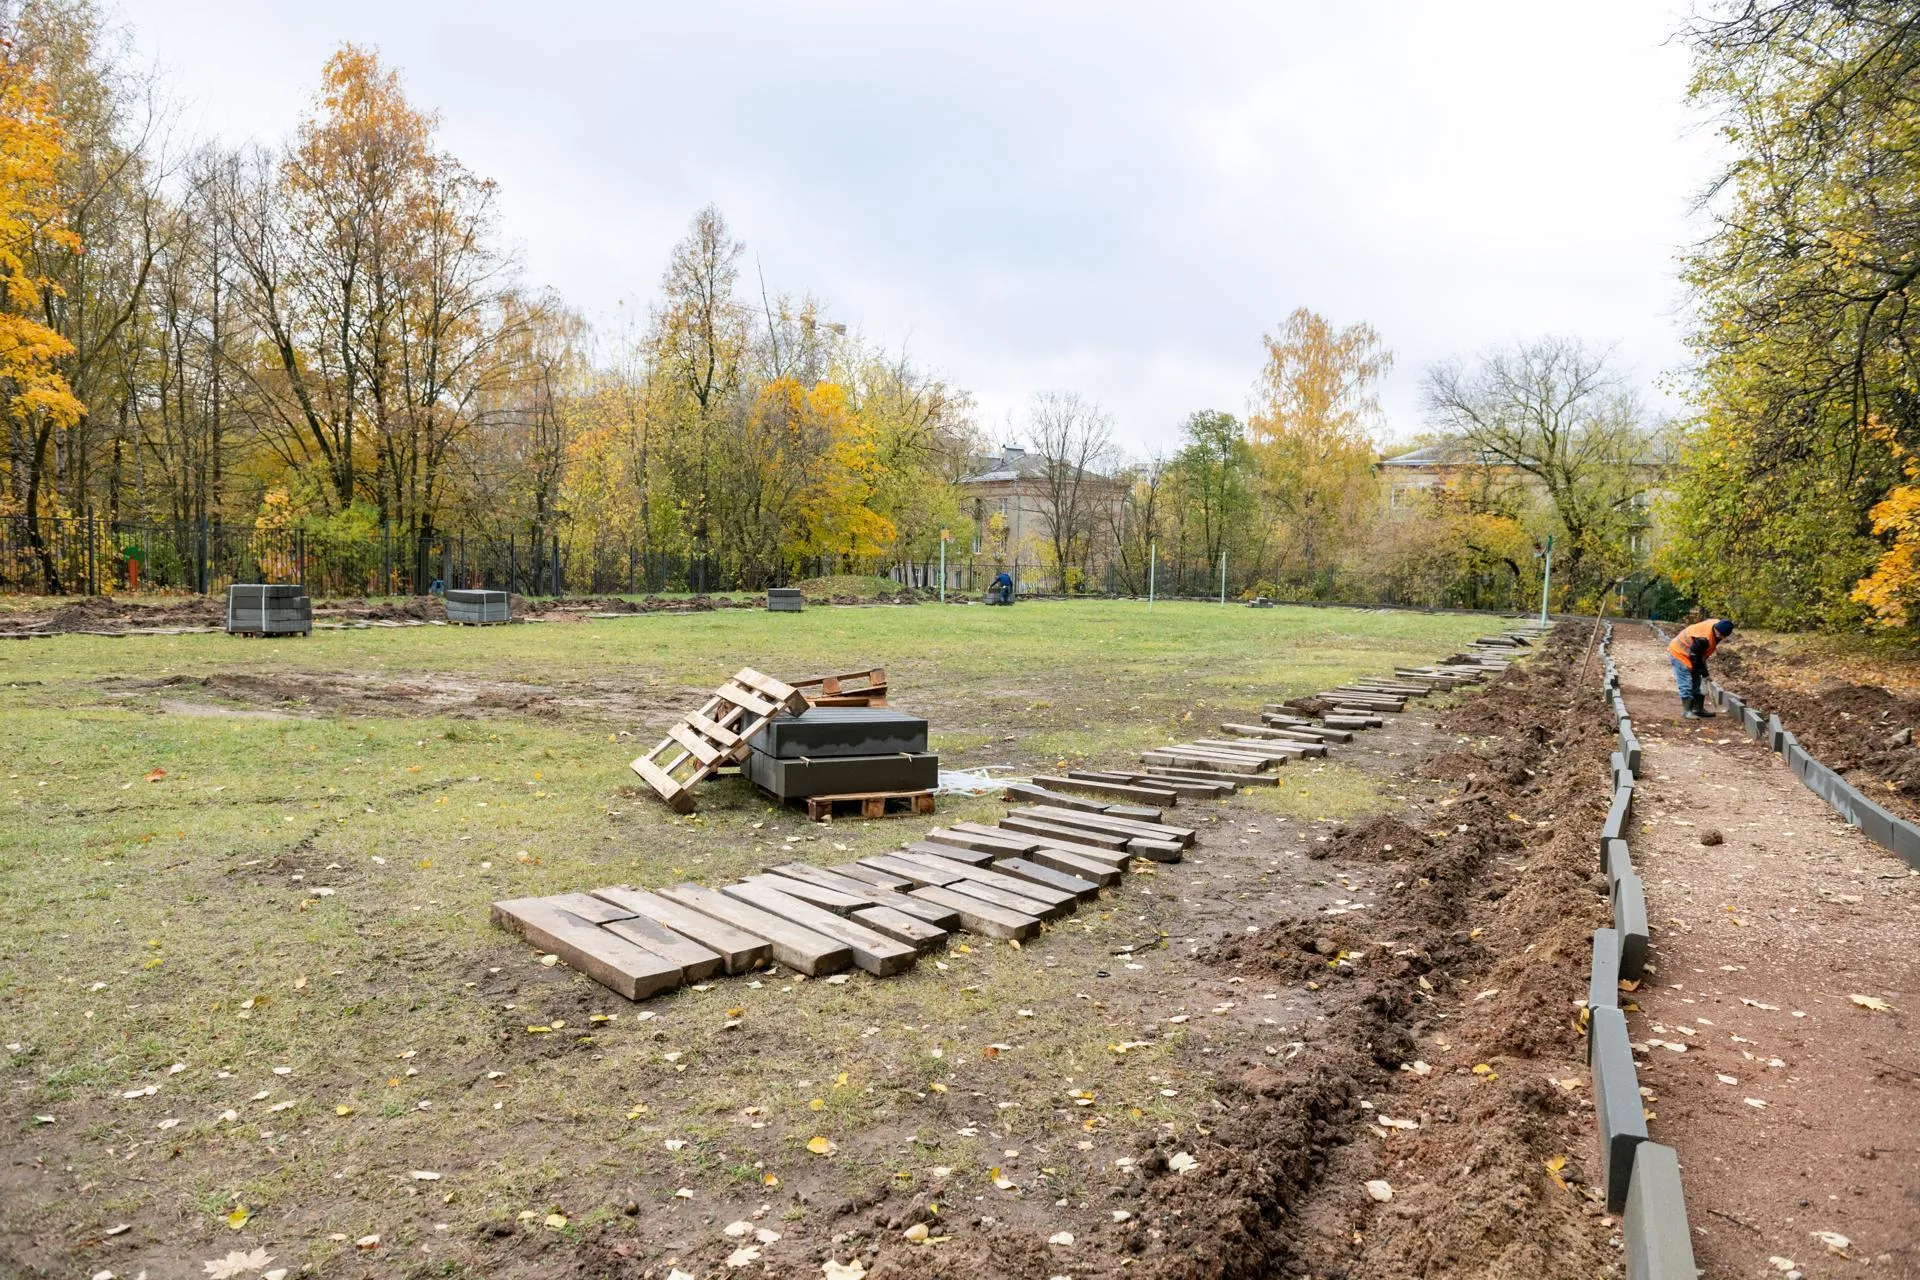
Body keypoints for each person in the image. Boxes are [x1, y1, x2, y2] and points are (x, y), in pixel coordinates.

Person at [1667, 618, 1734, 719]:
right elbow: (1695, 657)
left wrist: (1702, 672)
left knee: (1697, 680)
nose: (1719, 636)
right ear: (1716, 628)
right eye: (1718, 634)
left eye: (1722, 636)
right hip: (1680, 653)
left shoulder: (1717, 624)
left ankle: (1698, 709)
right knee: (1686, 682)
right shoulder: (1703, 638)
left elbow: (1699, 656)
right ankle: (1687, 711)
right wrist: (1705, 674)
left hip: (1693, 654)